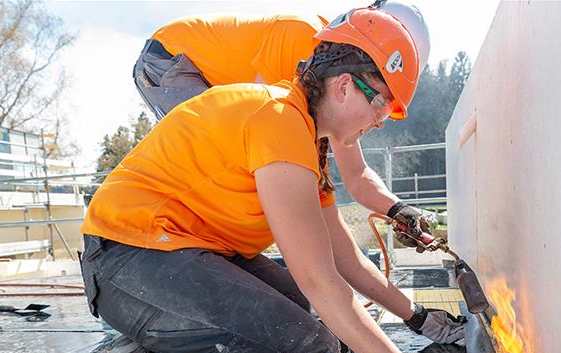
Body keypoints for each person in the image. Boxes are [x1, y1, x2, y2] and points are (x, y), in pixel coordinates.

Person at [79, 8, 478, 353]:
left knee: (328, 340)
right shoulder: (280, 120)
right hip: (127, 259)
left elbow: (344, 259)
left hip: (186, 253)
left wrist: (418, 319)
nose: (381, 121)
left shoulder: (306, 142)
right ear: (344, 86)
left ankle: (176, 338)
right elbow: (319, 280)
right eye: (382, 104)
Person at [133, 1, 438, 250]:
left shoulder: (340, 78)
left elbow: (356, 174)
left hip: (213, 82)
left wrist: (397, 209)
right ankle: (154, 244)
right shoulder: (303, 36)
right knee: (235, 166)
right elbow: (257, 118)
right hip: (173, 59)